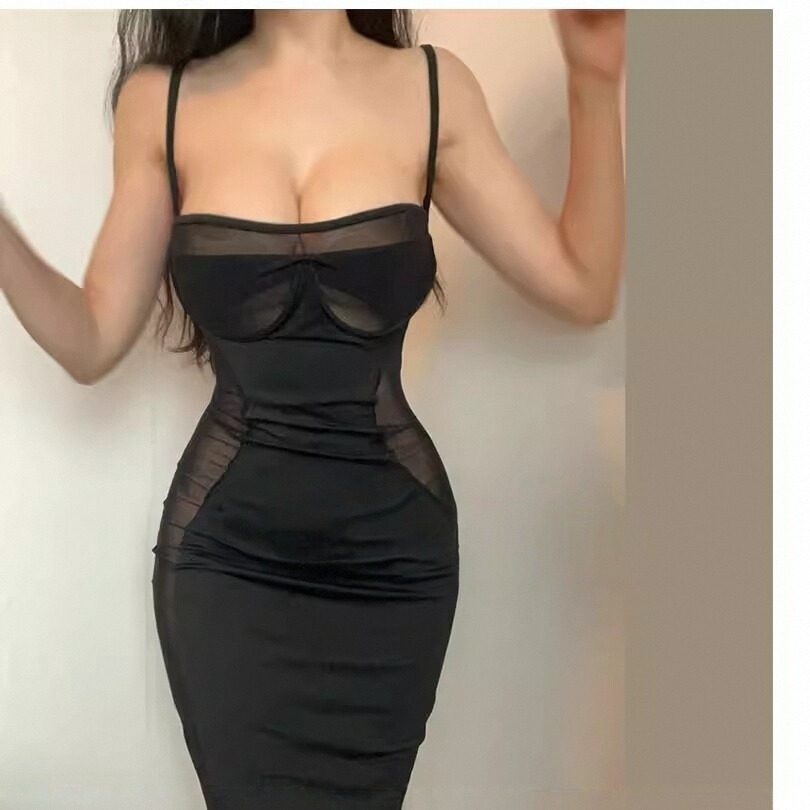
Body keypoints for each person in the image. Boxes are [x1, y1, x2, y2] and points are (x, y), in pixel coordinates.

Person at [0, 10, 625, 809]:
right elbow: (90, 341)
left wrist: (594, 80)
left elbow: (583, 286)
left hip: (393, 564)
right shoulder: (163, 103)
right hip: (227, 562)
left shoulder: (432, 90)